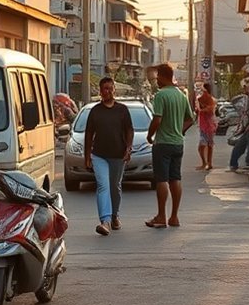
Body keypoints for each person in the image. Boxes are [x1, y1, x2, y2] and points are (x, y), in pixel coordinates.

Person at [144, 63, 194, 229]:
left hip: (163, 143)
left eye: (158, 76)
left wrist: (150, 135)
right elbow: (190, 119)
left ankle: (161, 216)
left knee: (162, 179)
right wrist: (179, 131)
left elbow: (157, 119)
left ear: (164, 76)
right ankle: (174, 217)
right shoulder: (181, 95)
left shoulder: (161, 95)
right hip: (178, 143)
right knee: (175, 178)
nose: (156, 80)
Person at [83, 76, 133, 236]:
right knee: (103, 186)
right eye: (105, 88)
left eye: (111, 88)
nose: (108, 91)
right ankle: (105, 221)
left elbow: (129, 130)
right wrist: (87, 156)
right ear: (101, 91)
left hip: (118, 155)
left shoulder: (122, 110)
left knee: (115, 187)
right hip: (99, 155)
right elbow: (89, 134)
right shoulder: (95, 111)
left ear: (114, 90)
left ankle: (115, 216)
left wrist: (128, 149)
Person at [228, 77, 249, 172]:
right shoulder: (248, 97)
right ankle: (237, 164)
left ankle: (248, 164)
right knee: (244, 146)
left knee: (244, 146)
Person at [195, 82, 217, 171]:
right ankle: (205, 163)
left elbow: (210, 110)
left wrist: (201, 109)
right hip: (204, 125)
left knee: (207, 145)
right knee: (204, 145)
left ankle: (208, 163)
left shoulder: (211, 99)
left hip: (209, 125)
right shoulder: (200, 99)